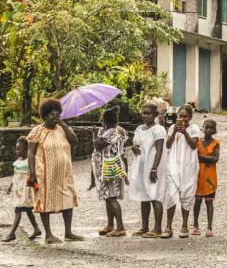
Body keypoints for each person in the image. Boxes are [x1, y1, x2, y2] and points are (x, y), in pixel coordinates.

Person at [26, 98, 82, 244]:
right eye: (52, 114)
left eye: (57, 114)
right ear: (44, 115)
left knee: (68, 199)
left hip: (64, 173)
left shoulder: (61, 129)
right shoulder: (37, 131)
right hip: (44, 173)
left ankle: (68, 232)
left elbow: (74, 140)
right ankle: (48, 234)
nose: (55, 117)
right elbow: (31, 153)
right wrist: (32, 174)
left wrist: (63, 124)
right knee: (44, 201)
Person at [87, 107, 129, 237]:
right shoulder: (110, 131)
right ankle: (110, 224)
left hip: (110, 168)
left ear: (105, 120)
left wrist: (95, 134)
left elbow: (98, 145)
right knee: (107, 197)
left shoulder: (115, 132)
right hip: (104, 168)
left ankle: (120, 227)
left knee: (111, 197)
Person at [128, 101, 167, 238]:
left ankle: (157, 228)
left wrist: (154, 168)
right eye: (143, 113)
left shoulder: (159, 130)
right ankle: (144, 226)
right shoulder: (139, 129)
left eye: (148, 113)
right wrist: (134, 149)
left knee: (154, 195)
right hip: (141, 164)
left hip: (152, 165)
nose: (145, 116)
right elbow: (138, 145)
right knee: (143, 196)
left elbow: (159, 150)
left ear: (155, 114)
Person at [163, 104, 201, 238]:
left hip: (188, 166)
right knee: (171, 194)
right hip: (173, 164)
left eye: (185, 116)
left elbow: (193, 145)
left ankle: (184, 225)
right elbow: (167, 144)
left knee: (187, 193)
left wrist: (185, 132)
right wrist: (174, 132)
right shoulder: (172, 128)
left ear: (190, 117)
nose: (182, 119)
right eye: (180, 116)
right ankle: (168, 226)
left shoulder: (194, 128)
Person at [3, 136, 42, 242]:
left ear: (26, 149)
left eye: (19, 149)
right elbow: (15, 175)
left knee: (18, 210)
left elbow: (34, 174)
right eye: (16, 149)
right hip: (18, 189)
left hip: (25, 190)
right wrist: (10, 186)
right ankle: (36, 228)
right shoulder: (18, 161)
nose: (17, 151)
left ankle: (11, 233)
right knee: (27, 210)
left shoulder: (29, 161)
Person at [192, 117, 220, 237]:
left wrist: (200, 157)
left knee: (209, 202)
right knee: (197, 201)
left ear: (214, 130)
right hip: (197, 174)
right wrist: (207, 158)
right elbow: (211, 158)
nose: (208, 130)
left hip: (209, 177)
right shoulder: (197, 141)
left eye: (211, 128)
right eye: (206, 127)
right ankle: (195, 225)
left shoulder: (216, 143)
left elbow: (215, 159)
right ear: (202, 128)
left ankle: (209, 227)